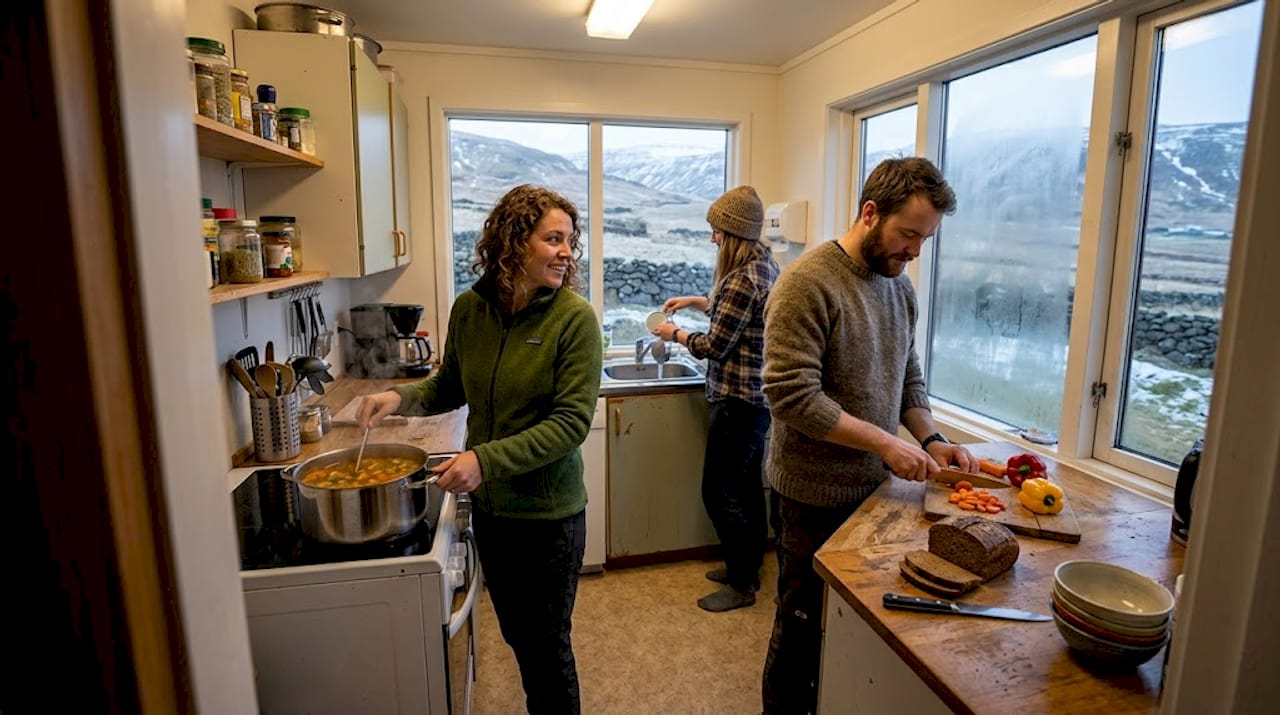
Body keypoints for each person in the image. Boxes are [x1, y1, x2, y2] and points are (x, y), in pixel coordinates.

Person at [357, 184, 602, 715]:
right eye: (552, 239)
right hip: (493, 512)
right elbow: (448, 386)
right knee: (518, 636)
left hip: (548, 519)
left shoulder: (574, 320)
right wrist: (395, 396)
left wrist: (483, 460)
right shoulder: (470, 310)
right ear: (513, 243)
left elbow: (570, 424)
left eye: (569, 240)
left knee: (547, 653)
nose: (566, 251)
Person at [758, 157, 978, 714]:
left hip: (875, 495)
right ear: (870, 212)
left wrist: (931, 440)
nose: (915, 252)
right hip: (809, 495)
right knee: (802, 627)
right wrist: (884, 443)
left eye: (925, 239)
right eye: (909, 234)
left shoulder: (899, 289)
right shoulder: (806, 283)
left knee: (857, 628)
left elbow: (907, 376)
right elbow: (791, 396)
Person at [651, 185, 780, 612]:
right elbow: (734, 313)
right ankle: (747, 567)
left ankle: (741, 584)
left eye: (716, 232)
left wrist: (675, 333)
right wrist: (695, 301)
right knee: (744, 490)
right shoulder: (762, 267)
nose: (712, 240)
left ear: (734, 234)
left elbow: (715, 345)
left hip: (739, 404)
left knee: (720, 492)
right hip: (754, 403)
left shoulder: (743, 278)